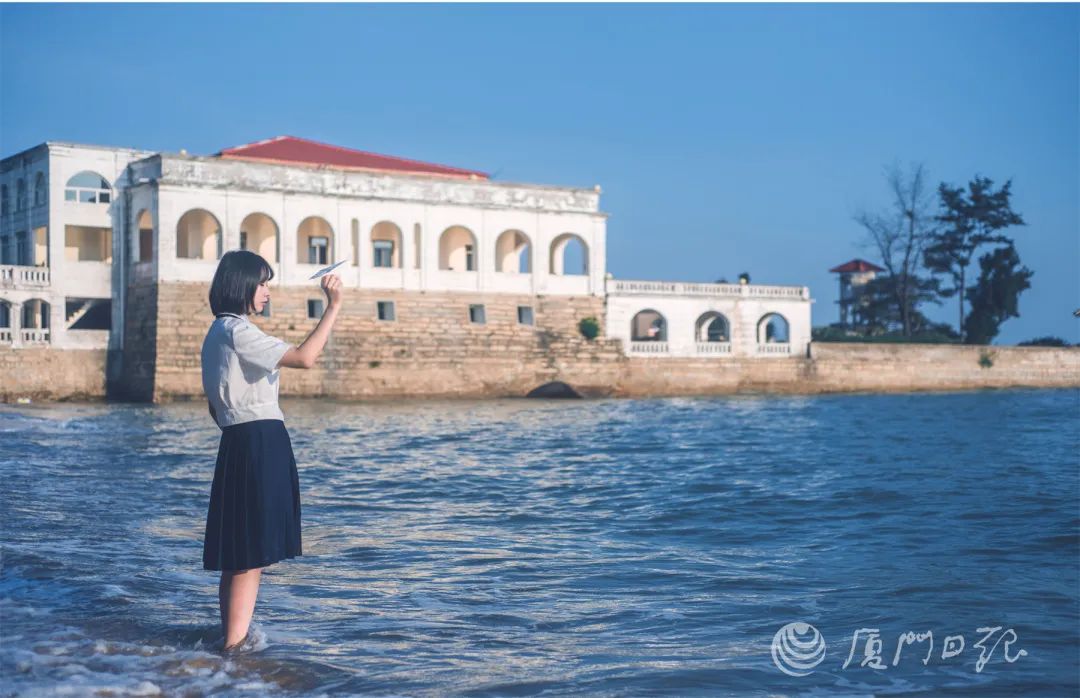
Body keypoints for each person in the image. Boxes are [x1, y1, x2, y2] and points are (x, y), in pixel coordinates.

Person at [200, 249, 342, 652]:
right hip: (259, 438)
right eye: (262, 283)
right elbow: (306, 357)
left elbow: (214, 405)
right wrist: (334, 306)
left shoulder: (217, 333)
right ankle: (233, 647)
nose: (266, 292)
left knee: (241, 552)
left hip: (239, 440)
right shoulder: (237, 330)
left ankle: (232, 644)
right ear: (241, 285)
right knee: (248, 553)